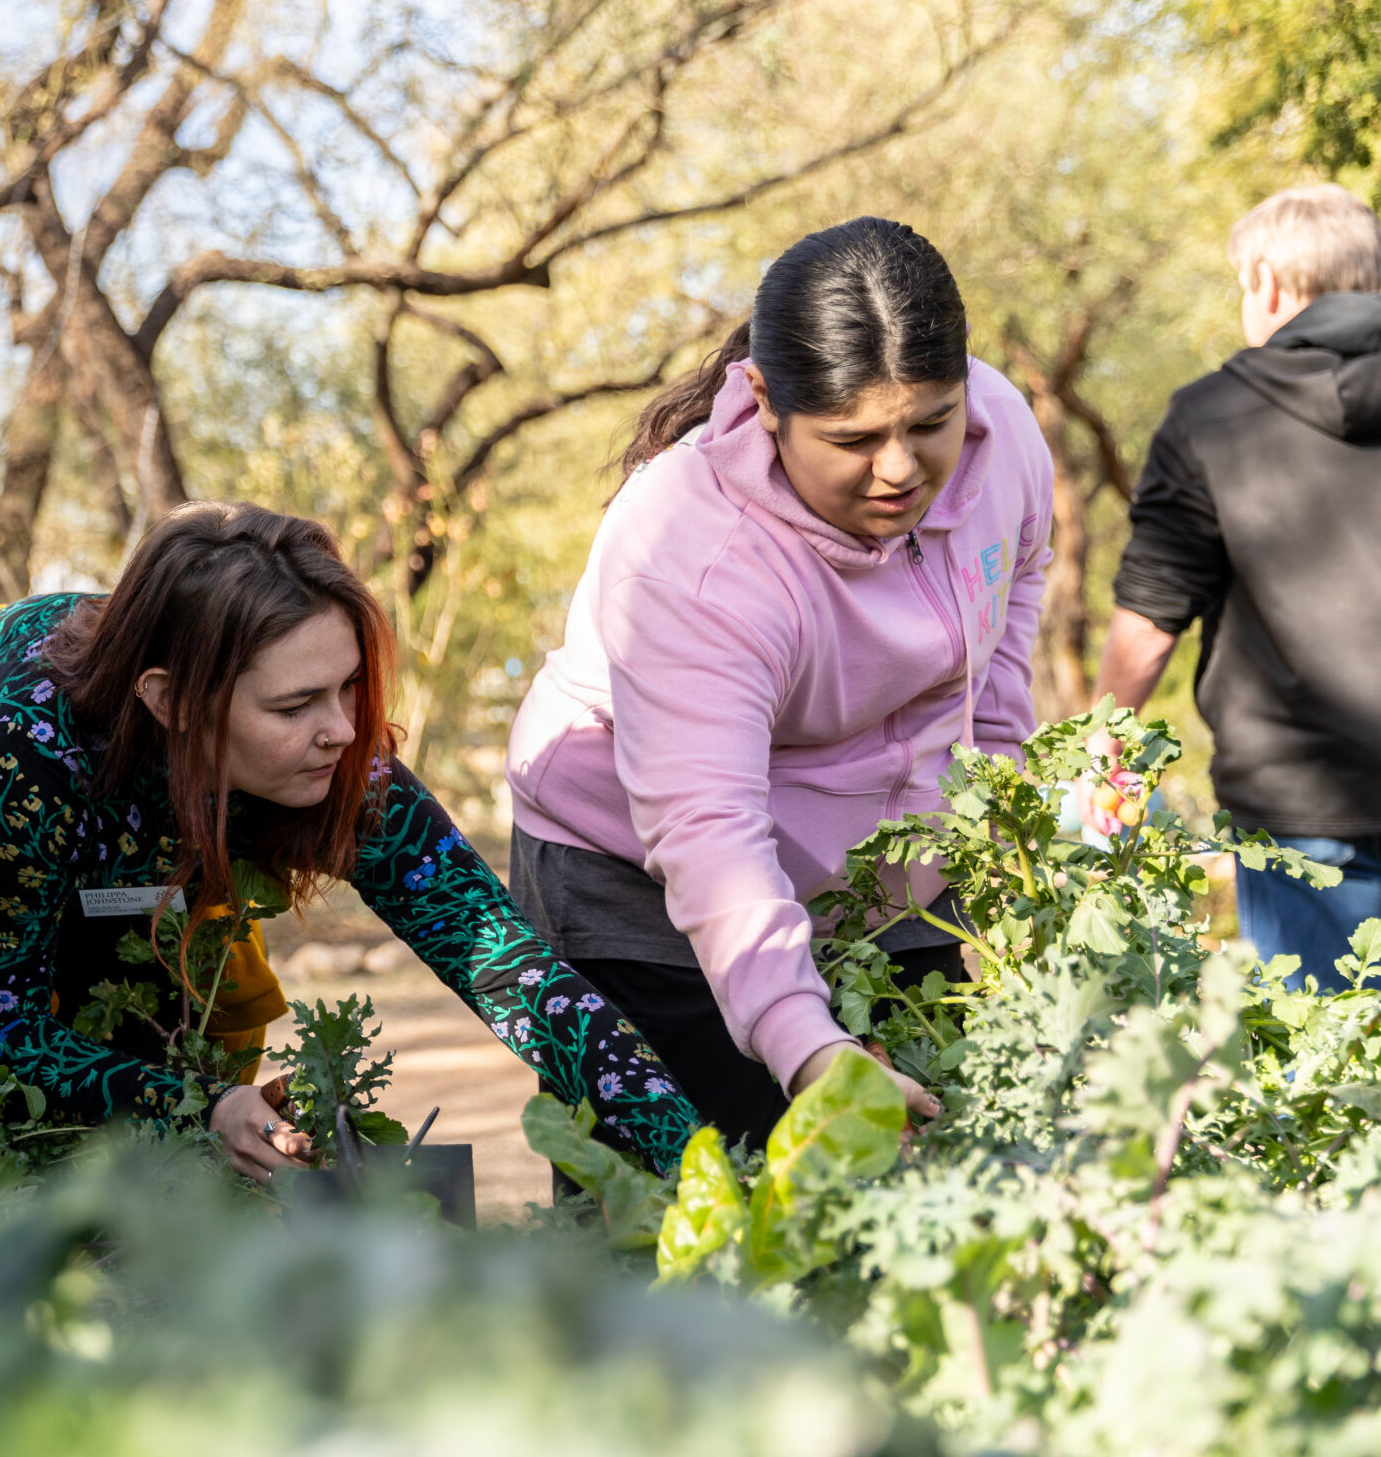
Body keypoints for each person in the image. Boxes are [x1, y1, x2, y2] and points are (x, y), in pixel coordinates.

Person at [0, 503, 704, 1180]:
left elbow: (508, 967)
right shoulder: (33, 745)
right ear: (173, 701)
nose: (339, 729)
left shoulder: (338, 752)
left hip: (154, 842)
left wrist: (698, 1156)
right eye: (295, 704)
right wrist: (189, 1105)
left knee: (167, 1124)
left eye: (347, 689)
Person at [504, 217, 1054, 1145]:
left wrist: (998, 839)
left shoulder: (1002, 438)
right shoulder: (694, 553)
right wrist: (811, 1049)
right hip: (646, 886)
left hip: (887, 859)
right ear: (763, 399)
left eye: (930, 424)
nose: (900, 468)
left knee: (924, 1179)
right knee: (701, 1206)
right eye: (853, 439)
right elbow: (706, 826)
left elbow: (1008, 619)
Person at [1099, 185, 1381, 992]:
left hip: (1300, 810)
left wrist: (1103, 750)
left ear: (1266, 280)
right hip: (1303, 806)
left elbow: (1151, 616)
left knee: (1326, 1088)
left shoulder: (1211, 417)